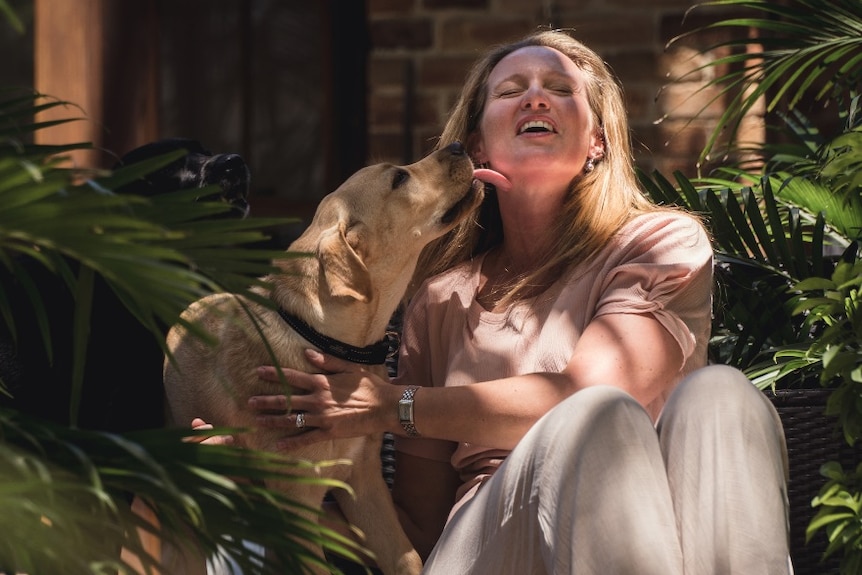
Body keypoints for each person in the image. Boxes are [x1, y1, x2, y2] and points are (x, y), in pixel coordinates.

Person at [242, 29, 792, 574]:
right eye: (510, 91)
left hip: (649, 536)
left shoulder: (659, 243)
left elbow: (589, 391)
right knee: (595, 417)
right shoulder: (439, 300)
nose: (535, 97)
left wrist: (392, 405)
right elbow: (417, 528)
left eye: (559, 87)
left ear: (597, 139)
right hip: (489, 546)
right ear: (477, 146)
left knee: (720, 396)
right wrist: (246, 493)